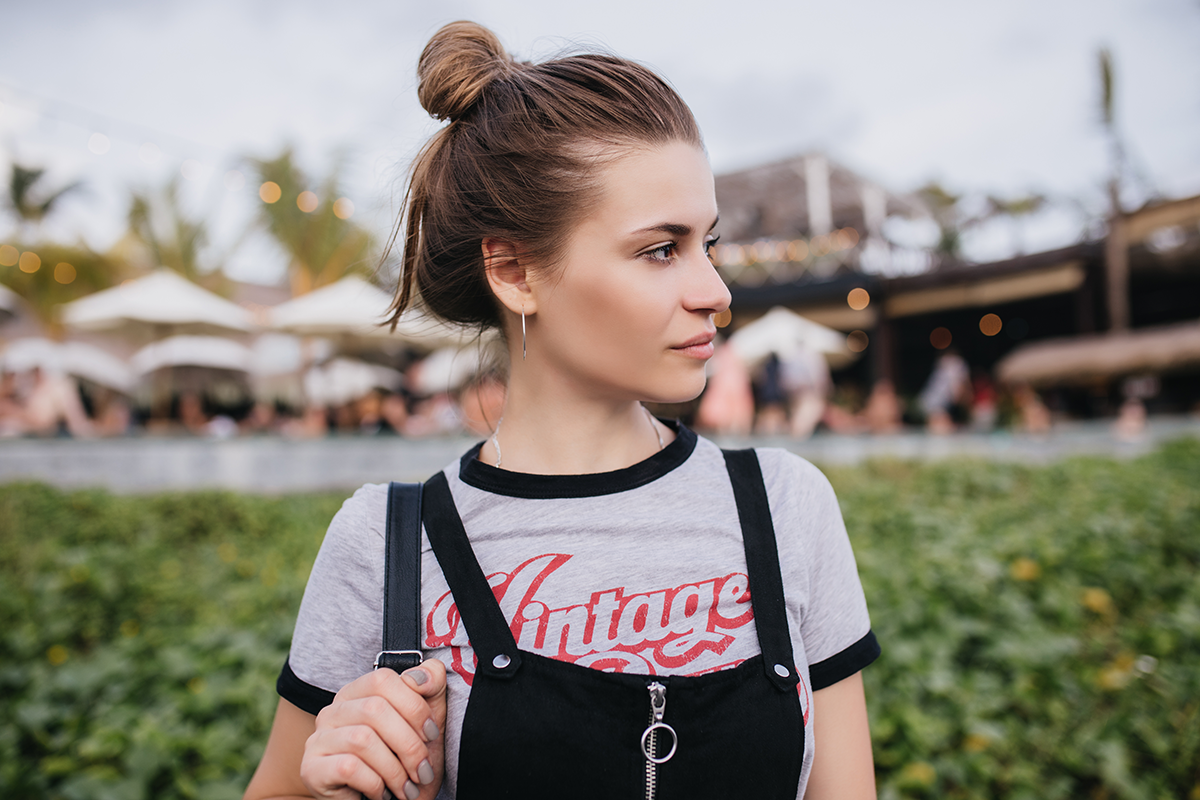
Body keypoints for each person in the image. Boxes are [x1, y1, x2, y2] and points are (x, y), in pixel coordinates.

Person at [244, 21, 879, 800]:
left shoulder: (787, 507)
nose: (715, 291)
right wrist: (332, 782)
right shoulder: (386, 546)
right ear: (514, 272)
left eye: (707, 243)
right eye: (660, 249)